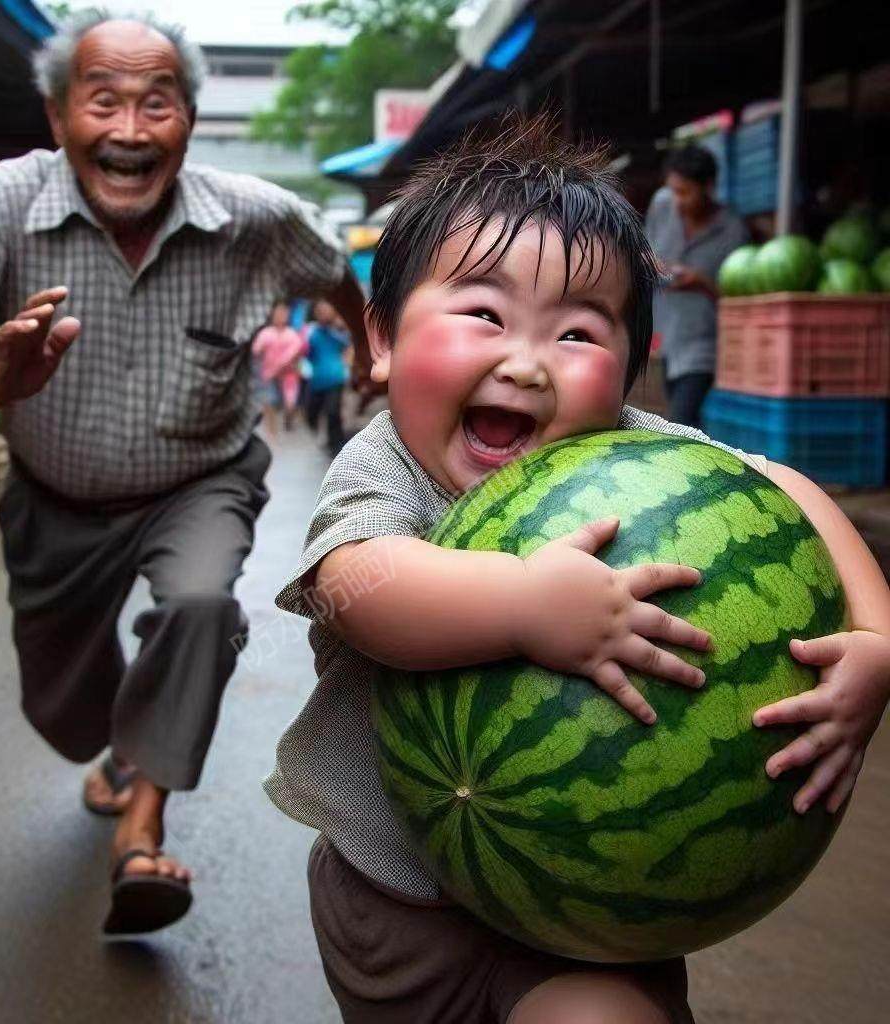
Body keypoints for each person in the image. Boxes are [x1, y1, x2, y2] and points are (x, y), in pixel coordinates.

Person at [263, 118, 890, 1023]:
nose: (523, 364)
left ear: (632, 372)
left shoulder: (628, 450)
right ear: (383, 338)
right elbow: (355, 586)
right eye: (483, 314)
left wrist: (874, 640)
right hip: (399, 907)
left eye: (577, 333)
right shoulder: (384, 464)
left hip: (600, 910)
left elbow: (786, 490)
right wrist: (524, 604)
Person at [0, 11, 367, 936]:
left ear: (189, 121)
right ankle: (118, 752)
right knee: (65, 710)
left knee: (201, 605)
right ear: (59, 119)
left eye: (157, 104)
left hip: (200, 480)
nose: (130, 132)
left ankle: (143, 828)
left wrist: (369, 350)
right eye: (103, 103)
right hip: (57, 501)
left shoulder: (250, 217)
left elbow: (335, 269)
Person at [644, 144, 750, 428]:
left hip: (704, 343)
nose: (677, 200)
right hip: (666, 336)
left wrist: (702, 282)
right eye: (673, 190)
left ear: (709, 186)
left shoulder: (732, 231)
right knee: (683, 418)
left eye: (685, 192)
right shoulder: (662, 204)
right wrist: (654, 265)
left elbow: (739, 300)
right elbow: (645, 250)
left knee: (682, 419)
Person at [252, 300, 307, 437]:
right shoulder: (265, 333)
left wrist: (296, 366)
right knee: (269, 403)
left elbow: (298, 355)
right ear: (272, 314)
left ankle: (288, 422)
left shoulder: (292, 335)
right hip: (269, 376)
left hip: (289, 376)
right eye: (278, 313)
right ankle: (272, 432)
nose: (281, 316)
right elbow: (255, 352)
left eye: (284, 313)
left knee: (290, 404)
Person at [304, 299, 350, 457]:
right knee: (312, 412)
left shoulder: (338, 331)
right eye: (320, 310)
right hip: (317, 380)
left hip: (335, 379)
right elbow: (306, 353)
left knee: (332, 412)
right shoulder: (311, 332)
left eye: (326, 309)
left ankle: (335, 446)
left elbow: (347, 345)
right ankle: (329, 441)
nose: (323, 313)